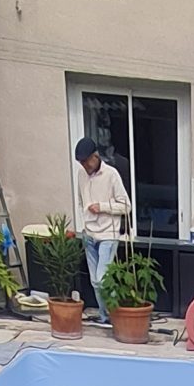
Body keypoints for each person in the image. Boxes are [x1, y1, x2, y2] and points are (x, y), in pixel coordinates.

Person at [73, 137, 131, 322]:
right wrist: (84, 222)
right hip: (89, 233)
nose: (84, 166)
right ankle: (105, 317)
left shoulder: (111, 174)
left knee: (102, 279)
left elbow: (126, 206)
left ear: (95, 156)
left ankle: (115, 316)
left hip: (108, 234)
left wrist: (102, 207)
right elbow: (80, 200)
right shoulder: (81, 174)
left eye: (86, 161)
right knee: (94, 281)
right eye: (81, 162)